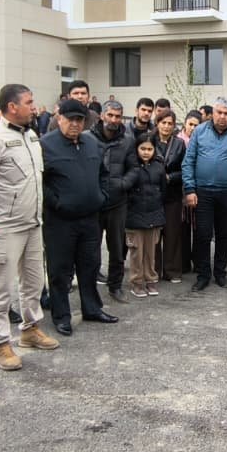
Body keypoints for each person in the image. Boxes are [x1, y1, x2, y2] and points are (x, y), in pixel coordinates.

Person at [0, 84, 55, 371]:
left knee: (32, 281)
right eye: (29, 103)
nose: (35, 107)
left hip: (33, 222)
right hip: (4, 226)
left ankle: (30, 330)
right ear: (11, 107)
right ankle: (0, 343)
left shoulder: (31, 135)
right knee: (1, 288)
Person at [40, 99, 117, 336]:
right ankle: (61, 315)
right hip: (60, 220)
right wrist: (57, 202)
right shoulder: (45, 145)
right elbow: (39, 181)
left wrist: (101, 196)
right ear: (59, 118)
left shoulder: (91, 143)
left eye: (79, 119)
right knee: (60, 270)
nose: (75, 124)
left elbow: (104, 174)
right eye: (70, 118)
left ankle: (92, 308)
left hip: (89, 217)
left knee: (90, 265)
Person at [183, 96, 227, 290]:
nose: (222, 117)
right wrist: (189, 189)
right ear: (213, 113)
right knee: (203, 234)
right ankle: (203, 275)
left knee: (223, 234)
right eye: (219, 112)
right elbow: (188, 161)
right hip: (202, 193)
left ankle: (220, 273)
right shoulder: (199, 132)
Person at [92, 100, 136, 304]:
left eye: (118, 117)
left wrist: (123, 183)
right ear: (102, 116)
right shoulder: (87, 138)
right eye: (110, 115)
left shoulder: (127, 140)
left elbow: (134, 168)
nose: (114, 120)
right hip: (93, 202)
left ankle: (115, 286)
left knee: (117, 248)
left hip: (118, 201)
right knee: (90, 248)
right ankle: (89, 285)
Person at [122, 132, 167, 299]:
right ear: (136, 149)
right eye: (143, 148)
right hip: (134, 216)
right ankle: (137, 282)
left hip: (154, 215)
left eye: (150, 149)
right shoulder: (131, 166)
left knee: (151, 251)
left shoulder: (159, 167)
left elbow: (164, 191)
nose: (146, 152)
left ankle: (151, 279)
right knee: (136, 251)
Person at [153, 108, 186, 283]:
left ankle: (172, 270)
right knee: (154, 235)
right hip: (153, 195)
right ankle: (154, 270)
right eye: (163, 122)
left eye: (170, 123)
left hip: (172, 194)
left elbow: (184, 170)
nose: (166, 126)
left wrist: (170, 177)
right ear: (157, 123)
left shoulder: (179, 144)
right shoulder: (149, 141)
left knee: (173, 233)